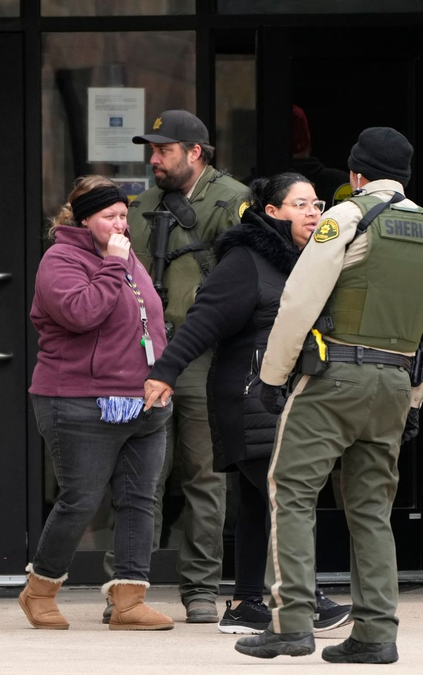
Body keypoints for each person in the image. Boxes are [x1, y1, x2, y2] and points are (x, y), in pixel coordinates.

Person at [234, 127, 423, 664]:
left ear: (357, 174)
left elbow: (298, 302)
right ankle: (377, 633)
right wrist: (415, 399)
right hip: (394, 384)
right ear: (404, 176)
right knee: (372, 510)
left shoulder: (348, 217)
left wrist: (272, 379)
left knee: (289, 490)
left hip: (336, 378)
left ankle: (290, 624)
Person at [142, 173, 351, 635]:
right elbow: (204, 320)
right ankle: (302, 596)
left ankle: (246, 604)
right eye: (300, 205)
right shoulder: (246, 260)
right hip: (248, 396)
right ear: (271, 213)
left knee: (262, 502)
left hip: (288, 399)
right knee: (288, 495)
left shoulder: (310, 261)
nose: (313, 212)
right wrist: (165, 371)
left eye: (316, 204)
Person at [20, 176, 173, 632]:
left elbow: (150, 322)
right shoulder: (60, 259)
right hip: (80, 401)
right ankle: (40, 590)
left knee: (139, 500)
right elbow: (81, 313)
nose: (120, 224)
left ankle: (129, 599)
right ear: (83, 218)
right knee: (81, 501)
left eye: (124, 216)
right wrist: (111, 265)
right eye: (110, 216)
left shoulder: (126, 258)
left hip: (142, 400)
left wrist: (162, 377)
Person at [122, 109, 252, 623]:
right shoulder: (140, 203)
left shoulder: (233, 199)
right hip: (144, 354)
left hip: (202, 355)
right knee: (141, 476)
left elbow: (242, 280)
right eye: (151, 150)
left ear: (195, 151)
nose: (154, 159)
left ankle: (200, 587)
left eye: (164, 150)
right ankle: (127, 584)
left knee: (203, 475)